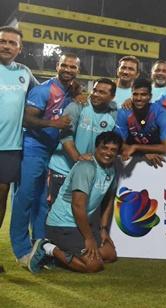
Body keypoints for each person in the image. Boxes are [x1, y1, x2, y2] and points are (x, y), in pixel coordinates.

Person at [10, 53, 79, 268]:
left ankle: (40, 248)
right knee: (25, 198)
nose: (68, 69)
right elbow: (27, 118)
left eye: (73, 67)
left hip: (50, 151)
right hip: (33, 148)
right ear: (57, 66)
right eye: (64, 65)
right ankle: (21, 250)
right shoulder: (44, 89)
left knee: (42, 202)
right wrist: (54, 124)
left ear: (78, 70)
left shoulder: (72, 91)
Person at [29, 131, 122, 273]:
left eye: (113, 150)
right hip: (62, 225)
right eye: (104, 148)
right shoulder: (86, 168)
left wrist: (103, 230)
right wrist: (89, 238)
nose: (108, 153)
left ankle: (65, 254)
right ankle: (47, 247)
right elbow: (77, 206)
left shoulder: (111, 169)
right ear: (96, 148)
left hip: (80, 225)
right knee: (94, 265)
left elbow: (108, 201)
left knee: (110, 255)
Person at [0, 26, 38, 272]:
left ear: (20, 48)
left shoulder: (25, 73)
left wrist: (75, 92)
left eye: (12, 43)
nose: (6, 46)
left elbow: (47, 93)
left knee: (1, 201)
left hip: (9, 149)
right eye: (2, 41)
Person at [47, 78, 118, 205]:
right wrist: (78, 158)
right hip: (64, 169)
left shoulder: (114, 113)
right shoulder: (77, 105)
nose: (95, 94)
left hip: (88, 172)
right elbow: (65, 137)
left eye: (102, 92)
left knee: (81, 213)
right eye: (95, 90)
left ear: (112, 97)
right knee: (57, 213)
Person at [115, 78, 166, 166]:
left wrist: (135, 147)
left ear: (150, 96)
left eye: (143, 95)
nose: (139, 98)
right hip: (134, 158)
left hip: (158, 159)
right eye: (135, 94)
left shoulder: (160, 113)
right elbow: (119, 144)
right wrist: (143, 153)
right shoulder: (123, 112)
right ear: (131, 95)